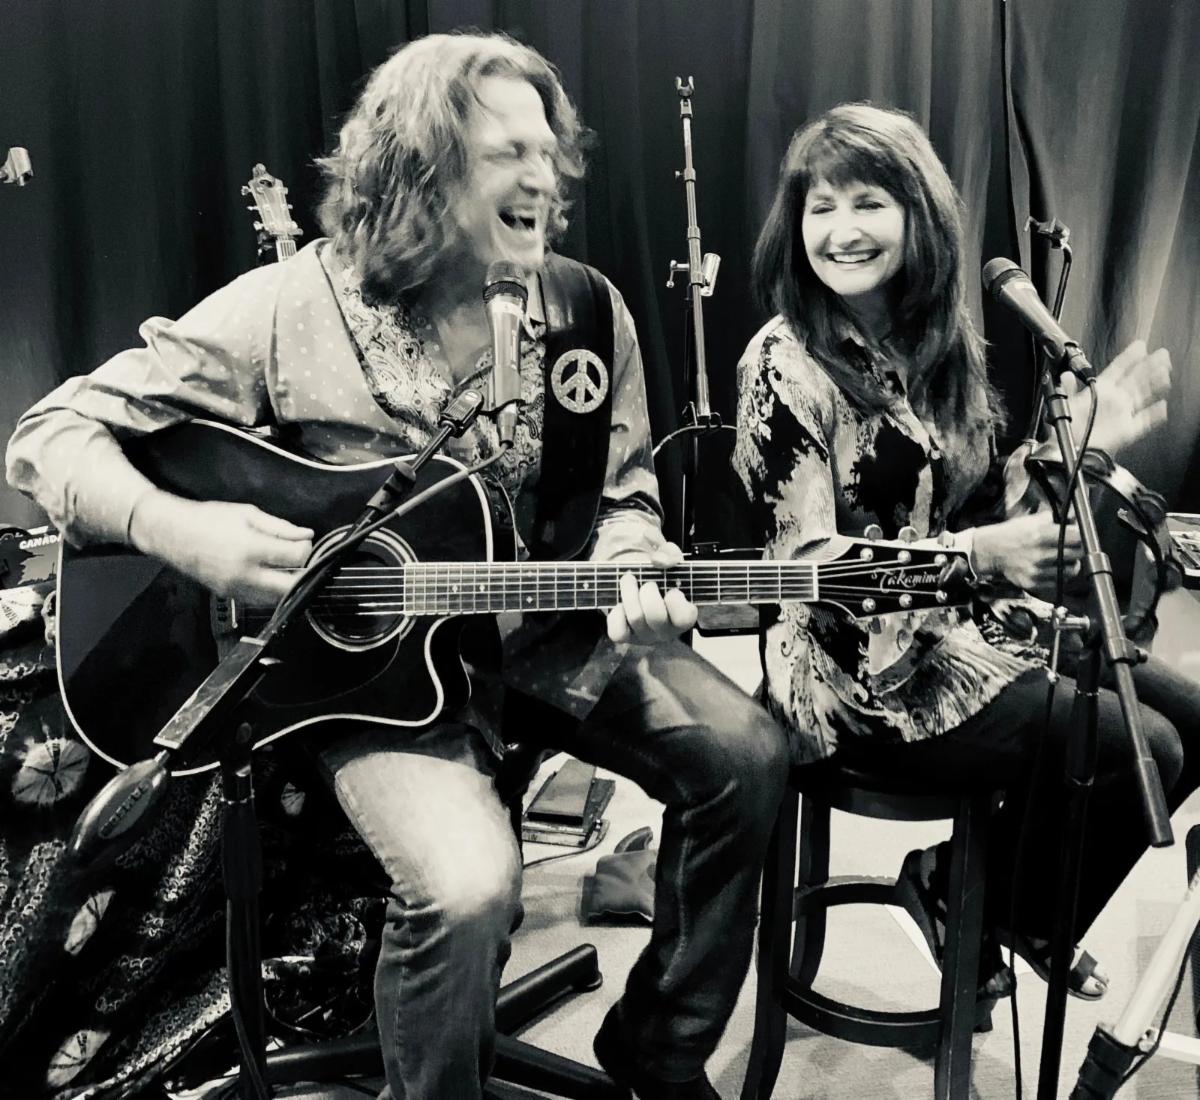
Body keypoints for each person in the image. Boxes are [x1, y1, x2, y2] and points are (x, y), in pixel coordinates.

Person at [7, 32, 788, 1100]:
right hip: (370, 680)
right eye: (507, 153)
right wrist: (179, 530)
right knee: (468, 888)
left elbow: (624, 492)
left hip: (544, 634)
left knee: (746, 753)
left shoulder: (586, 311)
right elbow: (48, 434)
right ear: (419, 168)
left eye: (549, 151)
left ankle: (659, 1045)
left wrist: (634, 558)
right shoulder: (290, 305)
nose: (544, 177)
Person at [732, 101, 1200, 1003]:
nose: (841, 229)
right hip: (846, 677)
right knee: (1136, 748)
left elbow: (987, 502)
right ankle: (984, 905)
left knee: (1192, 724)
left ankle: (982, 899)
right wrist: (980, 558)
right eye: (821, 207)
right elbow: (810, 569)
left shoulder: (941, 347)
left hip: (960, 630)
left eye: (868, 202)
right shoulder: (781, 364)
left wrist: (1081, 444)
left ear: (921, 215)